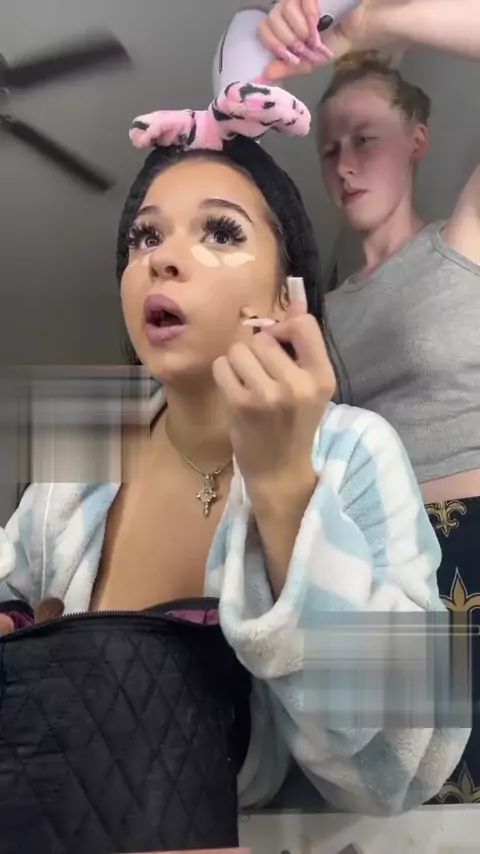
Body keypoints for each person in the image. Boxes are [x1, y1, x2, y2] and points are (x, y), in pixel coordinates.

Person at [0, 65, 468, 843]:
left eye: (220, 232)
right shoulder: (86, 434)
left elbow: (403, 765)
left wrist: (285, 486)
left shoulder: (353, 447)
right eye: (145, 236)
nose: (162, 258)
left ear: (285, 297)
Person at [258, 0, 480, 805]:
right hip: (375, 566)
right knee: (383, 800)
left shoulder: (462, 244)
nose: (344, 164)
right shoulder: (316, 310)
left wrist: (369, 25)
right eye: (328, 149)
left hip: (471, 544)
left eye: (365, 139)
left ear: (417, 139)